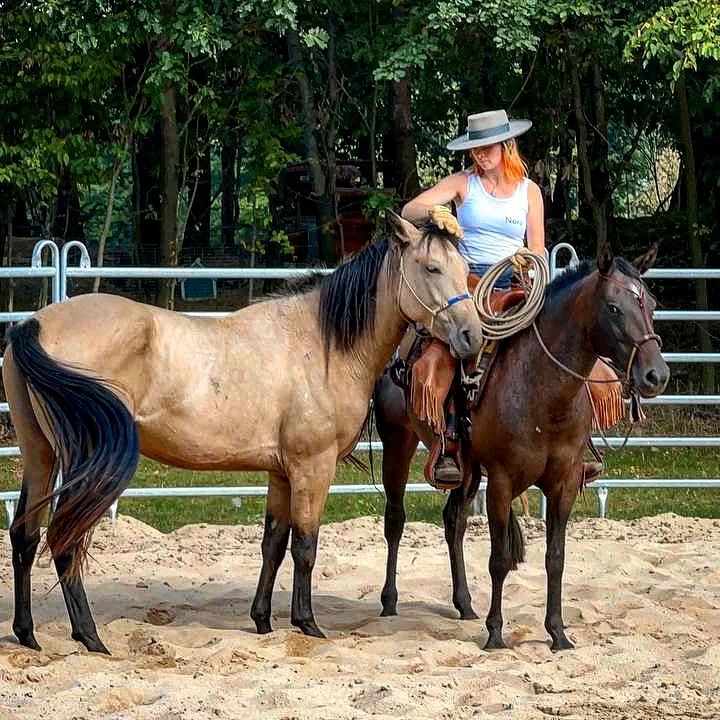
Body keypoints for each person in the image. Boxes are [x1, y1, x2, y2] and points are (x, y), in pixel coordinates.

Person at [399, 109, 543, 488]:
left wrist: (533, 268)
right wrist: (437, 215)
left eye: (487, 147)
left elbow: (539, 247)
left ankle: (575, 440)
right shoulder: (464, 183)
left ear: (504, 145)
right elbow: (408, 209)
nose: (480, 155)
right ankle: (446, 438)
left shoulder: (530, 191)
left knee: (558, 339)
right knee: (449, 348)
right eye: (475, 149)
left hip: (516, 279)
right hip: (469, 281)